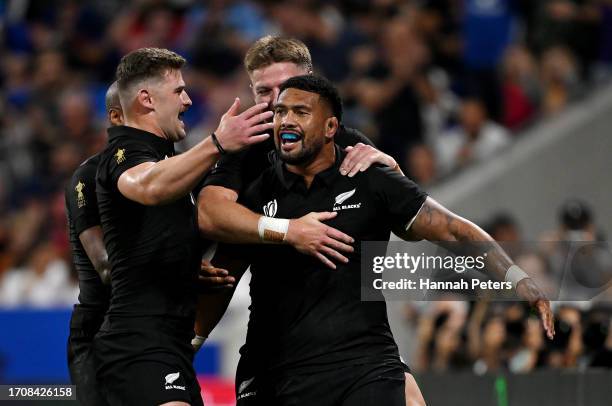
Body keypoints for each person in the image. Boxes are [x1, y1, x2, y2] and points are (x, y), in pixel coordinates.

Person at [203, 75, 555, 405]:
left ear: (331, 128)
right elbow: (222, 276)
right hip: (281, 372)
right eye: (280, 112)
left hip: (363, 365)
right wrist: (190, 341)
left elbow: (453, 229)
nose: (285, 121)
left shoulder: (369, 178)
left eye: (300, 111)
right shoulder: (257, 197)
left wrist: (517, 279)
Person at [93, 47, 271, 406]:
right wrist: (218, 143)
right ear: (146, 99)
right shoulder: (122, 154)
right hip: (138, 343)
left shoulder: (168, 160)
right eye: (178, 91)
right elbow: (148, 186)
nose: (188, 101)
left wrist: (186, 267)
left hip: (170, 346)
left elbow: (146, 235)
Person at [198, 36, 401, 269]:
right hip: (269, 285)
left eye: (288, 85)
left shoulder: (347, 141)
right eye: (264, 91)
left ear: (310, 80)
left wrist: (393, 170)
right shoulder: (243, 147)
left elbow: (405, 223)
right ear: (252, 91)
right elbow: (208, 214)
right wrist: (288, 231)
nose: (276, 101)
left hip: (344, 284)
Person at [65, 82, 122, 406]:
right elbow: (105, 266)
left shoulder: (171, 174)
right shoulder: (87, 178)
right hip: (99, 330)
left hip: (155, 330)